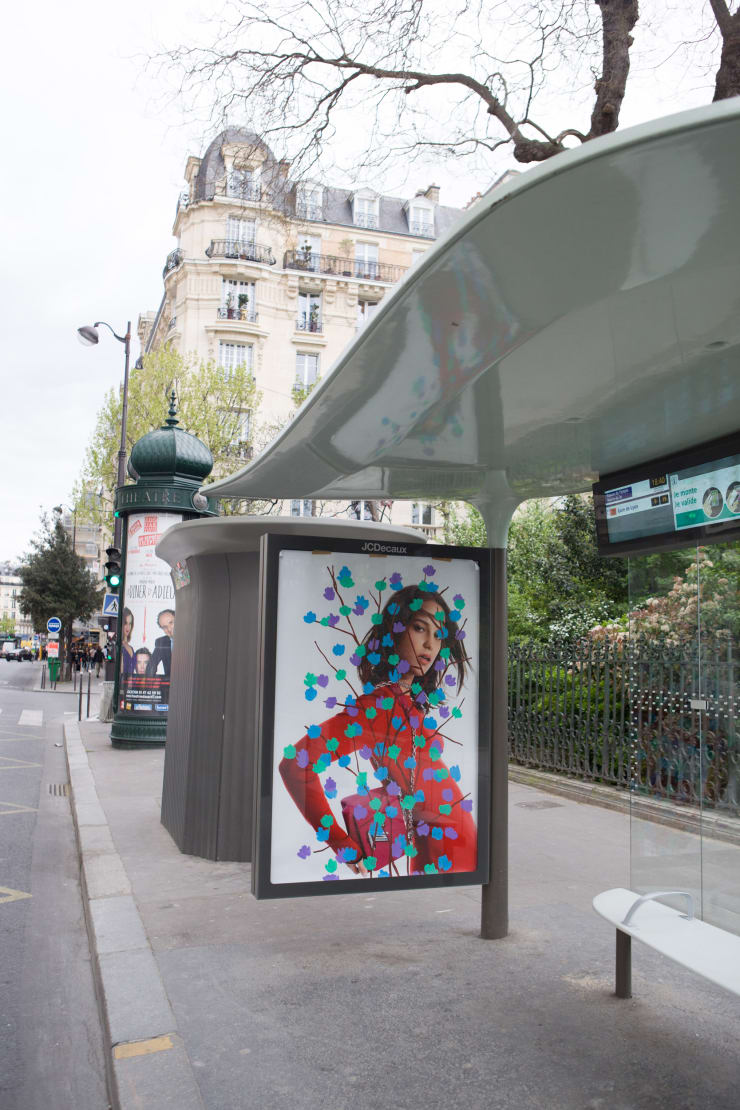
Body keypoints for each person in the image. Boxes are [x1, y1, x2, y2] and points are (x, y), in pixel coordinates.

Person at [279, 583, 477, 878]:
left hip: (455, 847)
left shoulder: (406, 701)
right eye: (420, 628)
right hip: (444, 855)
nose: (430, 644)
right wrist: (342, 844)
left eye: (438, 636)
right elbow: (295, 764)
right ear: (395, 630)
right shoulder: (378, 707)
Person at [147, 609, 175, 677]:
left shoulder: (193, 638)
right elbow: (151, 666)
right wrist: (149, 681)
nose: (169, 629)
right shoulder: (161, 642)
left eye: (171, 623)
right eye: (164, 627)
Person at [120, 608, 135, 675]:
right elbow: (121, 671)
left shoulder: (130, 647)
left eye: (130, 623)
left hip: (131, 680)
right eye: (125, 623)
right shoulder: (120, 646)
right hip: (124, 680)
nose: (128, 627)